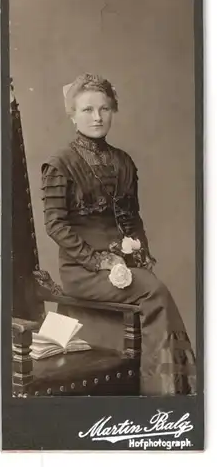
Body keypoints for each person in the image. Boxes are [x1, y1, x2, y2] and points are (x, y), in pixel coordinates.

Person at [41, 72, 196, 395]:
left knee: (150, 285)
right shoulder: (60, 163)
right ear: (72, 115)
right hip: (83, 270)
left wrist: (140, 253)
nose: (97, 117)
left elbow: (132, 217)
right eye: (87, 110)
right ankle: (167, 393)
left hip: (123, 264)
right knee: (155, 291)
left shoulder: (123, 162)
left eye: (104, 109)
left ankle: (160, 388)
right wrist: (99, 261)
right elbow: (55, 224)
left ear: (113, 111)